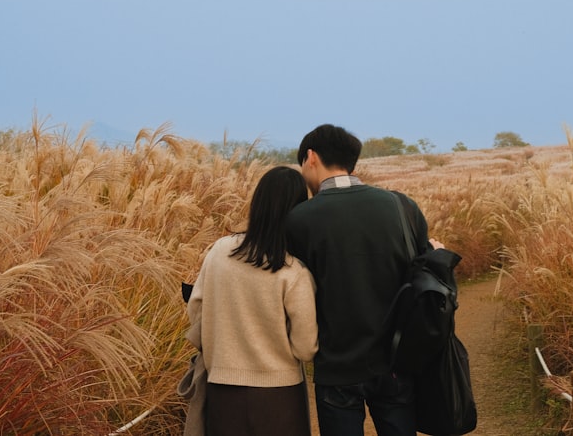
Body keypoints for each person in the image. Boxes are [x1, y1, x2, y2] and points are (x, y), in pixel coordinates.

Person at [285, 124, 436, 436]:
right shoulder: (401, 206)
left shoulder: (299, 219)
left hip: (337, 366)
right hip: (396, 360)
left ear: (311, 157)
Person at [186, 166, 319, 436]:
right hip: (279, 397)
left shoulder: (220, 251)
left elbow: (196, 309)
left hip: (222, 389)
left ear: (257, 204)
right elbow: (305, 348)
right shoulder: (293, 272)